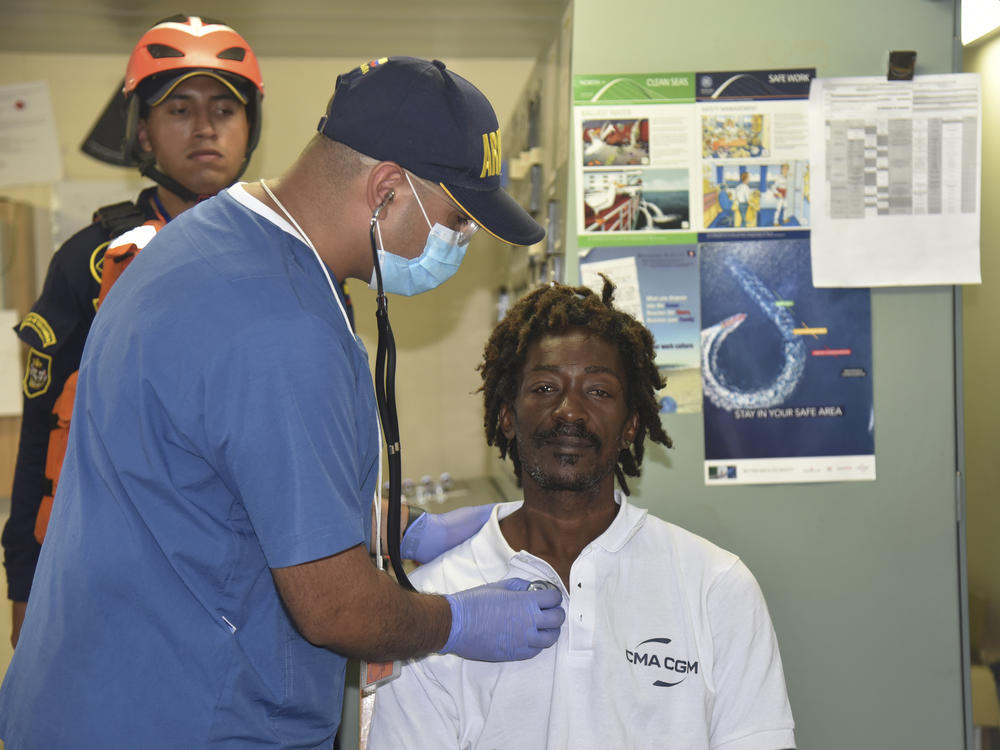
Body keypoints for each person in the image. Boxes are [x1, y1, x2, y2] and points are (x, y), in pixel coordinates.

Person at [0, 55, 565, 748]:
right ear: (387, 191)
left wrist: (402, 526)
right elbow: (335, 608)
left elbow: (210, 479)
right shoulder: (283, 326)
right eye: (457, 220)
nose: (462, 241)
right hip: (183, 719)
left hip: (87, 699)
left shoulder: (204, 245)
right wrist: (459, 622)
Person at [368, 277, 797, 749]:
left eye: (598, 391)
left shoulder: (715, 586)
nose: (569, 410)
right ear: (507, 416)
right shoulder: (436, 605)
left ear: (632, 424)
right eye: (546, 386)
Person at [1, 13, 266, 648]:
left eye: (224, 108)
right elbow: (43, 433)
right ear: (142, 134)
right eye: (179, 108)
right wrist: (24, 583)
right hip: (107, 575)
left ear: (250, 127)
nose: (205, 126)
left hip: (252, 575)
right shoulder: (90, 261)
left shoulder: (291, 255)